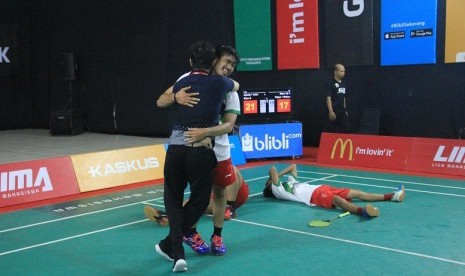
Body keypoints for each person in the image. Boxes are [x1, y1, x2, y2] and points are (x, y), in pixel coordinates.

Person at [155, 41, 239, 273]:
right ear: (214, 61)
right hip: (195, 148)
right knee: (198, 196)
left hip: (217, 149)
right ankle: (187, 234)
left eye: (233, 64)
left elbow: (230, 125)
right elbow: (161, 100)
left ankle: (216, 236)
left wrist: (205, 132)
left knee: (218, 193)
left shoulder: (228, 90)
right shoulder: (185, 80)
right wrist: (176, 97)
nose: (229, 67)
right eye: (226, 62)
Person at [262, 164, 405, 217]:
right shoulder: (278, 190)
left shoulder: (289, 183)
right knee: (337, 201)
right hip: (314, 196)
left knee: (356, 193)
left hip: (321, 187)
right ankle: (362, 211)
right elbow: (272, 169)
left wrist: (282, 177)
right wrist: (272, 180)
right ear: (270, 187)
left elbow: (293, 166)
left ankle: (392, 196)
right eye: (269, 182)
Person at [144, 165, 249, 224]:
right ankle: (168, 216)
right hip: (216, 195)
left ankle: (229, 208)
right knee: (191, 203)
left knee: (231, 170)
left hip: (237, 192)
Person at [325, 63, 351, 133]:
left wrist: (345, 109)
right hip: (334, 110)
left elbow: (343, 96)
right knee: (332, 130)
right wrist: (331, 111)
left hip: (342, 110)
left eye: (344, 71)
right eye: (341, 71)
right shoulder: (330, 83)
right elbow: (328, 97)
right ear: (335, 72)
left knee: (346, 128)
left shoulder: (343, 83)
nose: (343, 73)